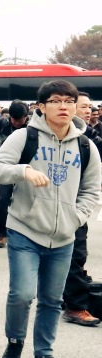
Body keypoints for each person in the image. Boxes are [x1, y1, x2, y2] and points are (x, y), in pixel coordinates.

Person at [0, 80, 101, 358]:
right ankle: (14, 342)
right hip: (25, 229)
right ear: (42, 106)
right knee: (22, 294)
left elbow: (93, 190)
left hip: (64, 235)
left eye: (68, 101)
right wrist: (22, 171)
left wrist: (76, 217)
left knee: (52, 300)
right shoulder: (24, 137)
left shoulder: (86, 145)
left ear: (76, 106)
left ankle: (44, 354)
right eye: (55, 101)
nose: (63, 106)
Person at [59, 92, 102, 326]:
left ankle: (71, 301)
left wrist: (82, 211)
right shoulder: (56, 136)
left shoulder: (90, 135)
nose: (88, 110)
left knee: (77, 255)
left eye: (89, 107)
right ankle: (70, 303)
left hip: (78, 207)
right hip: (53, 205)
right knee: (66, 256)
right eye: (83, 106)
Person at [0, 101, 30, 247]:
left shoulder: (32, 128)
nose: (15, 123)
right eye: (13, 120)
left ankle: (24, 233)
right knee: (3, 201)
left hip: (26, 169)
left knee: (26, 200)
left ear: (26, 117)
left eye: (19, 120)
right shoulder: (0, 124)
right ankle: (2, 233)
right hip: (6, 168)